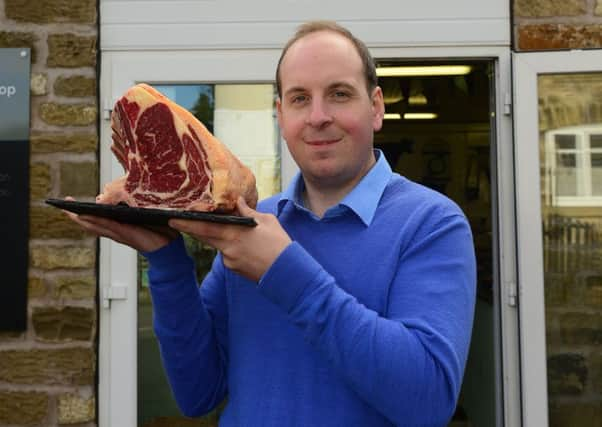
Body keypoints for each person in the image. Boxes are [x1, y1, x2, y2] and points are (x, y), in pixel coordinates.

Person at [68, 21, 476, 427]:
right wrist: (166, 259)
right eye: (300, 98)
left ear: (376, 107)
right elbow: (197, 393)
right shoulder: (253, 222)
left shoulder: (432, 223)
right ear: (281, 115)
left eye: (339, 94)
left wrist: (283, 270)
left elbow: (427, 401)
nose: (318, 117)